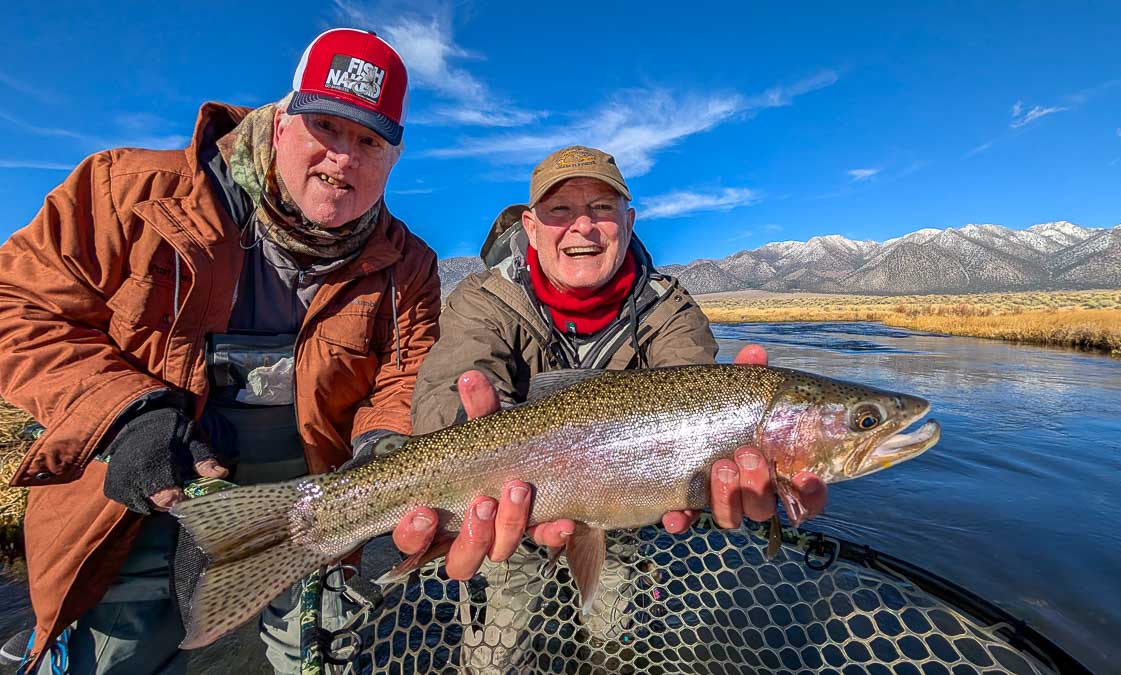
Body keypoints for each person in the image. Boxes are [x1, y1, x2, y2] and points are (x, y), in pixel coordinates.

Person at [0, 28, 448, 674]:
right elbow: (18, 303)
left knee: (327, 660)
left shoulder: (409, 268)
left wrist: (385, 456)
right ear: (284, 121)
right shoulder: (130, 194)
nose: (343, 158)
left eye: (369, 141)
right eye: (326, 124)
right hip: (140, 502)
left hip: (312, 513)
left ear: (393, 159)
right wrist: (129, 414)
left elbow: (406, 382)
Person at [390, 145, 829, 672]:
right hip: (503, 519)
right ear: (530, 227)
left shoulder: (670, 308)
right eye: (560, 211)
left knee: (615, 645)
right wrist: (479, 459)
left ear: (628, 220)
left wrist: (742, 475)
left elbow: (696, 401)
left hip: (622, 525)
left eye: (602, 208)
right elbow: (443, 394)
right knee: (495, 657)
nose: (584, 227)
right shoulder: (483, 298)